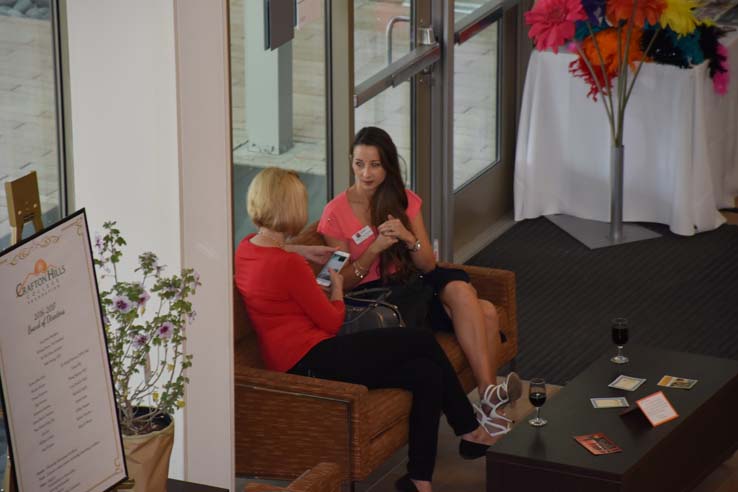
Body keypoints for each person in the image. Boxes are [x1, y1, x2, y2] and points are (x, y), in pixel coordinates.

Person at [235, 167, 502, 492]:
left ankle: (419, 480)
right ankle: (468, 427)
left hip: (293, 356)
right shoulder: (288, 266)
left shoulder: (246, 250)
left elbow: (270, 252)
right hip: (312, 357)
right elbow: (332, 320)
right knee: (419, 340)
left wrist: (298, 250)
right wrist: (335, 287)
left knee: (426, 372)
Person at [318, 126, 521, 435]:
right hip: (376, 296)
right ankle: (490, 402)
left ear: (388, 165)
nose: (367, 173)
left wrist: (407, 237)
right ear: (350, 162)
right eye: (359, 164)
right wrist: (373, 250)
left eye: (375, 165)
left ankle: (488, 399)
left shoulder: (403, 199)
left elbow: (427, 263)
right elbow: (340, 282)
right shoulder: (335, 214)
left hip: (413, 282)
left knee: (464, 291)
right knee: (488, 313)